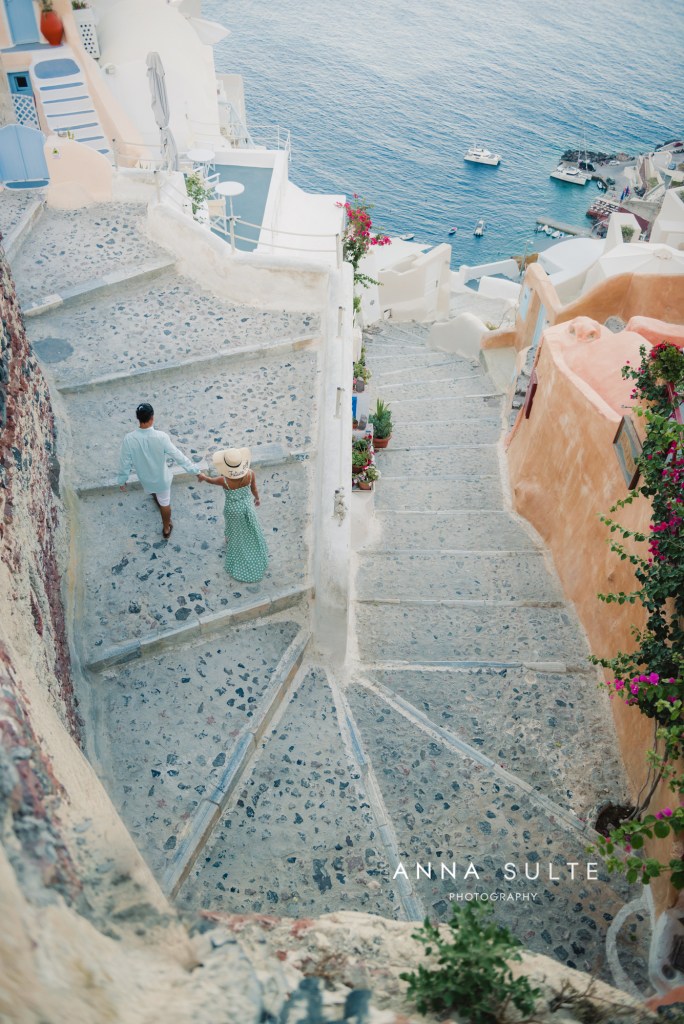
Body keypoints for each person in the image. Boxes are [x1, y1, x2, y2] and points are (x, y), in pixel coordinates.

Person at [117, 402, 200, 538]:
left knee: (155, 493)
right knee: (165, 503)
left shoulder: (129, 439)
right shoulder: (161, 437)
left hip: (146, 479)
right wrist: (194, 470)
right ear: (152, 418)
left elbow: (124, 463)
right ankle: (166, 528)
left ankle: (156, 498)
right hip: (161, 479)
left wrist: (122, 480)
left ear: (138, 418)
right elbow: (178, 456)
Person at [198, 447, 268, 582]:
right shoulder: (250, 474)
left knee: (234, 528)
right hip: (247, 507)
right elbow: (254, 488)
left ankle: (230, 539)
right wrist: (257, 498)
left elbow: (209, 480)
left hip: (232, 509)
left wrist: (202, 476)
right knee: (249, 527)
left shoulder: (223, 480)